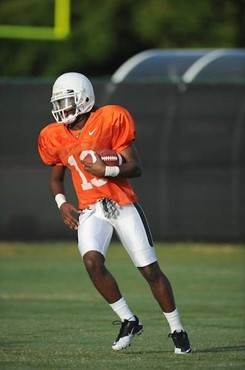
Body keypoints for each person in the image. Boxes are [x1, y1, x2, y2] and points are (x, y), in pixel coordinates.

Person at [38, 72, 191, 354]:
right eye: (58, 102)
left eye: (68, 102)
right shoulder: (55, 136)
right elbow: (55, 178)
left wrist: (107, 169)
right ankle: (128, 320)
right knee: (92, 263)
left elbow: (136, 166)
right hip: (90, 210)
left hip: (121, 204)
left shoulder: (109, 119)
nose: (62, 108)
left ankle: (177, 328)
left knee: (149, 270)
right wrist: (62, 203)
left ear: (84, 98)